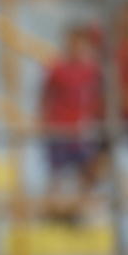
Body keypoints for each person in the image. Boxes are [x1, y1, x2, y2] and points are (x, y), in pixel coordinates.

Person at [39, 24, 107, 222]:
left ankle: (80, 208)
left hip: (81, 131)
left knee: (88, 169)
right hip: (60, 129)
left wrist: (95, 118)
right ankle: (51, 210)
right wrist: (44, 120)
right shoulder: (58, 69)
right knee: (56, 172)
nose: (77, 48)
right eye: (73, 43)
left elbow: (99, 97)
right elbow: (46, 95)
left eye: (81, 44)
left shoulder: (92, 70)